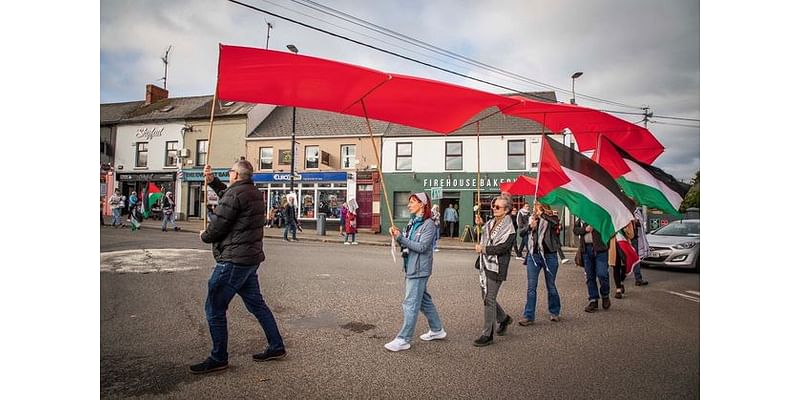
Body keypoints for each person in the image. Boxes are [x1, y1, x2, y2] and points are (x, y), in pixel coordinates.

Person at [190, 161, 286, 374]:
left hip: (234, 260)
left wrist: (205, 236)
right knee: (257, 305)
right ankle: (276, 346)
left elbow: (219, 224)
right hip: (248, 260)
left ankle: (218, 357)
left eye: (231, 171)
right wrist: (213, 181)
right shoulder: (252, 192)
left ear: (236, 175)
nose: (229, 173)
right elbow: (230, 197)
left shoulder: (236, 195)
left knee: (214, 308)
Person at [384, 192, 445, 352]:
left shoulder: (429, 224)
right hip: (411, 266)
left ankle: (403, 339)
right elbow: (407, 242)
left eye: (412, 202)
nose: (409, 205)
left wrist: (401, 238)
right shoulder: (413, 222)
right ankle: (437, 330)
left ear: (422, 204)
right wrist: (398, 235)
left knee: (410, 304)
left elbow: (422, 247)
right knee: (424, 301)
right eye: (409, 202)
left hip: (419, 269)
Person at [473, 194, 516, 347]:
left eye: (497, 207)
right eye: (493, 206)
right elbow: (486, 234)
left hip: (497, 267)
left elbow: (502, 248)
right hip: (485, 264)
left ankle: (487, 334)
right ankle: (504, 318)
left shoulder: (510, 228)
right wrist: (480, 225)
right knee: (486, 296)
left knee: (488, 299)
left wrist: (483, 249)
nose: (494, 208)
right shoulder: (491, 223)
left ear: (506, 210)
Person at [517, 202, 562, 326]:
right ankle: (528, 316)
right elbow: (521, 233)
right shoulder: (531, 219)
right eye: (535, 207)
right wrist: (530, 227)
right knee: (531, 287)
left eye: (538, 207)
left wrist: (542, 215)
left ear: (544, 208)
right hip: (534, 256)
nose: (535, 209)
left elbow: (555, 225)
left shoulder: (552, 218)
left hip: (549, 256)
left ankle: (554, 311)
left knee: (551, 285)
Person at [574, 220, 611, 312]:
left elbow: (609, 230)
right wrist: (585, 229)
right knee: (590, 276)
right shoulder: (581, 216)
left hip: (601, 249)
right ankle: (593, 299)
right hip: (586, 250)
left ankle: (605, 295)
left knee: (602, 274)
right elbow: (575, 230)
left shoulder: (600, 215)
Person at [611, 221, 636, 299]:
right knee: (616, 267)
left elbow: (632, 235)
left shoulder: (627, 220)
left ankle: (621, 281)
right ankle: (618, 289)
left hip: (625, 247)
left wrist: (625, 230)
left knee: (626, 267)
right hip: (614, 246)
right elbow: (606, 234)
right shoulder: (610, 220)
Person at [632, 207, 650, 286]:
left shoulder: (636, 211)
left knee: (636, 259)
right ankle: (620, 280)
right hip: (623, 238)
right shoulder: (622, 208)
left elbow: (640, 223)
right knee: (622, 260)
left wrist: (636, 221)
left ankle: (638, 279)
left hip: (634, 238)